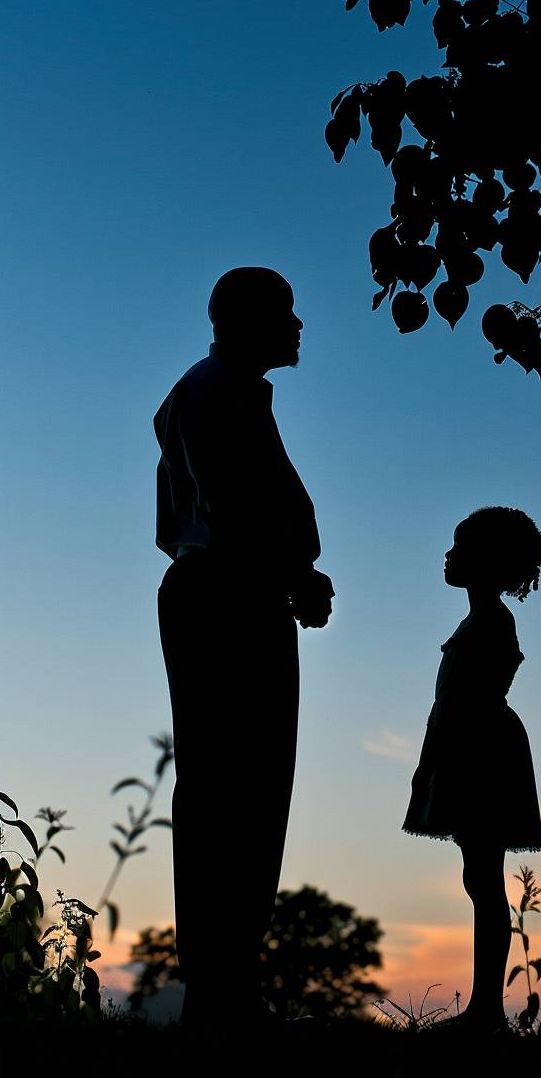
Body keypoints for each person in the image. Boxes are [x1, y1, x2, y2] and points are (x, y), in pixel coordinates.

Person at [153, 266, 334, 1027]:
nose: (298, 327)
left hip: (230, 592)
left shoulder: (224, 390)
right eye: (284, 313)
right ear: (243, 319)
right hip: (229, 595)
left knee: (239, 784)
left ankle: (225, 978)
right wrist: (296, 572)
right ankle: (220, 985)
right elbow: (237, 503)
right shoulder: (216, 391)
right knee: (237, 783)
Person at [403, 506, 541, 1034]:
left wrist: (436, 755)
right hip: (472, 747)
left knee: (484, 880)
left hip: (481, 752)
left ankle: (487, 1011)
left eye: (460, 547)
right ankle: (485, 1009)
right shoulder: (481, 619)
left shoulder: (491, 621)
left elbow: (466, 698)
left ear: (485, 562)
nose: (448, 555)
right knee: (479, 877)